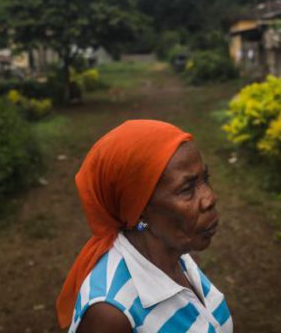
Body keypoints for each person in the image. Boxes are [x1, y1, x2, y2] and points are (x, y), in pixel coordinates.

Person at [56, 120, 233, 332]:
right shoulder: (110, 314)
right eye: (187, 189)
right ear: (139, 209)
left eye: (206, 179)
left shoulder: (172, 251)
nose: (210, 198)